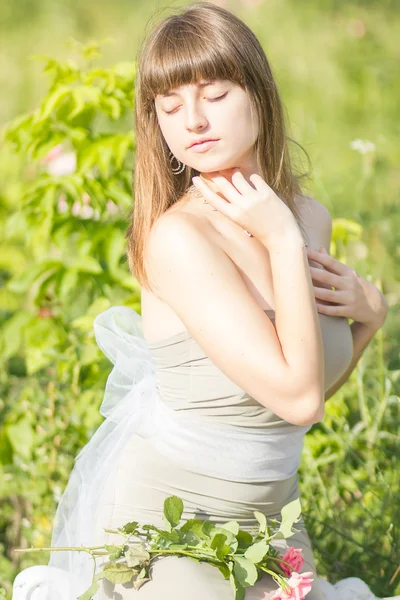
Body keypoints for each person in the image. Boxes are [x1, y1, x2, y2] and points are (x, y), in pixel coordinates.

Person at [12, 2, 394, 600]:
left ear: (258, 96)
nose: (192, 120)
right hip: (174, 521)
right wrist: (277, 239)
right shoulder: (180, 238)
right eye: (169, 107)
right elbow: (298, 401)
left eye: (213, 95)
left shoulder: (308, 218)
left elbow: (293, 392)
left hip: (272, 526)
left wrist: (370, 319)